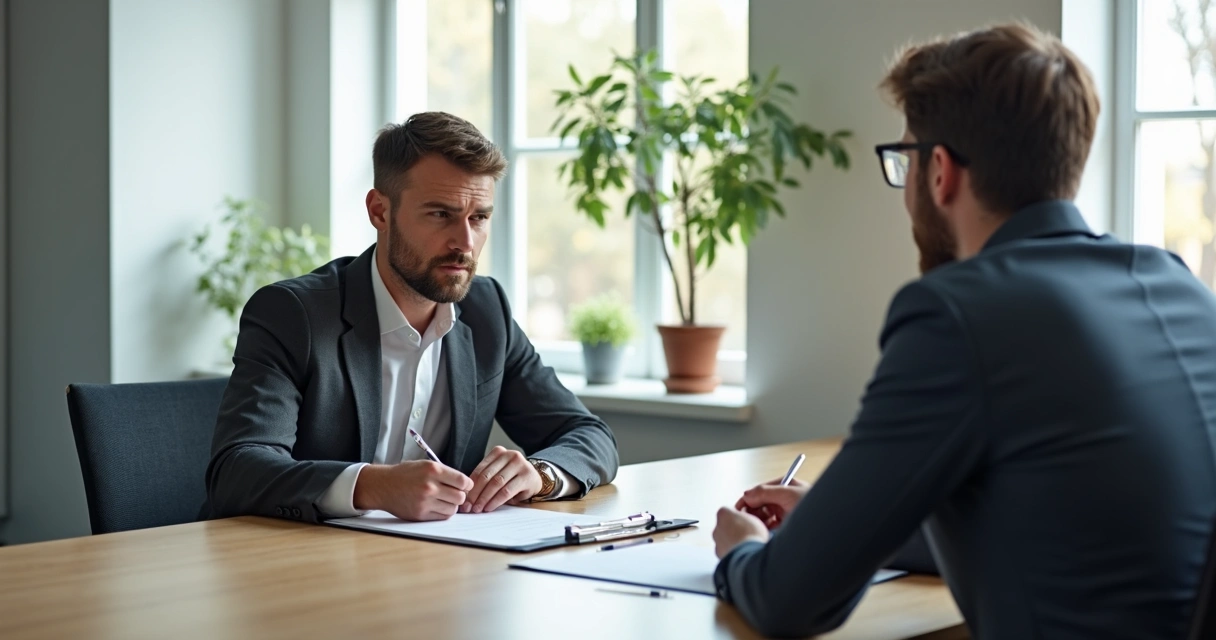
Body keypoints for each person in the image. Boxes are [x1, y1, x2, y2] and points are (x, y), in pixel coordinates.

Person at [711, 23, 1216, 639]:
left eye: (905, 161)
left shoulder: (958, 313)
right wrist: (833, 522)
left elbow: (789, 602)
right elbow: (1066, 521)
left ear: (940, 171)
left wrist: (742, 551)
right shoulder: (1177, 285)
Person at [203, 111, 619, 524]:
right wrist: (371, 486)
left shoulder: (487, 310)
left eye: (480, 217)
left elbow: (590, 436)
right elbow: (238, 471)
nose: (465, 242)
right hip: (296, 563)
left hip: (436, 564)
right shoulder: (293, 314)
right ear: (380, 212)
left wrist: (540, 476)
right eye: (441, 214)